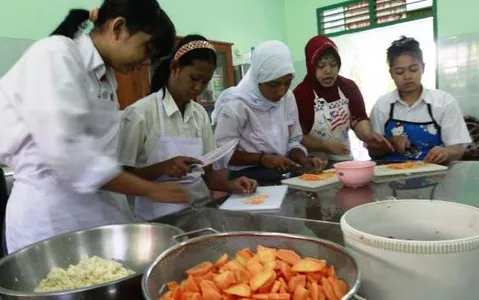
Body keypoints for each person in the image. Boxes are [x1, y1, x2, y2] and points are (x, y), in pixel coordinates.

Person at [0, 0, 188, 253]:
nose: (145, 63)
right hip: (51, 220)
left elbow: (100, 157)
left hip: (93, 215)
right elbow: (69, 153)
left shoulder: (106, 79)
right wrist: (150, 189)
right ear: (118, 28)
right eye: (146, 49)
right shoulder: (55, 54)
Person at [118, 35, 257, 220]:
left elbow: (208, 175)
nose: (198, 88)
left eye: (205, 82)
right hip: (158, 218)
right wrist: (162, 168)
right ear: (175, 68)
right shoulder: (140, 114)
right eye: (194, 78)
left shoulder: (199, 115)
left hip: (200, 211)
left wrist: (230, 185)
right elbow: (122, 177)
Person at [212, 40, 323, 184]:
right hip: (245, 180)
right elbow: (222, 153)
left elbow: (293, 141)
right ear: (258, 78)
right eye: (273, 84)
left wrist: (302, 159)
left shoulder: (288, 98)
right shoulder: (236, 104)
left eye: (287, 82)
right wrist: (261, 159)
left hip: (280, 175)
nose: (281, 91)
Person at [369, 36, 471, 163]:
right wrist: (391, 143)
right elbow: (372, 152)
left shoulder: (444, 102)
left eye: (413, 69)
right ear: (391, 74)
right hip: (390, 175)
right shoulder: (382, 105)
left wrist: (446, 152)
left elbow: (458, 148)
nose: (407, 76)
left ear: (423, 67)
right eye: (400, 72)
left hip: (435, 175)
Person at [294, 35, 391, 161]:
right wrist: (325, 146)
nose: (328, 71)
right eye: (321, 66)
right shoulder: (301, 95)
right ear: (311, 66)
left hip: (344, 161)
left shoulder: (348, 87)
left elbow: (358, 118)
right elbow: (297, 136)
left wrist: (367, 135)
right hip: (313, 165)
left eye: (333, 65)